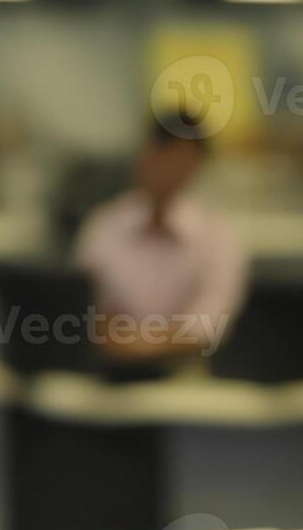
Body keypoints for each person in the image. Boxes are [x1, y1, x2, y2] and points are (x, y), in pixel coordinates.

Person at [71, 110, 249, 368]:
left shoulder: (218, 236)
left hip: (186, 374)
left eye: (178, 155)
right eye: (160, 149)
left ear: (197, 163)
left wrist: (142, 345)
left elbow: (209, 323)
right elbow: (82, 306)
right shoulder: (104, 225)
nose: (165, 164)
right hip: (107, 371)